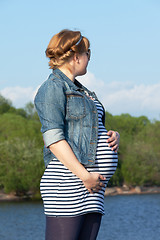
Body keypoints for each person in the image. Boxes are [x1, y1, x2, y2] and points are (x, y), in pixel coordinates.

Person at [34, 29, 120, 240]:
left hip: (92, 188)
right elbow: (53, 138)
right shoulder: (52, 87)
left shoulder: (85, 92)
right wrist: (84, 176)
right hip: (69, 184)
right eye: (88, 53)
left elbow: (88, 133)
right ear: (76, 56)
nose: (89, 58)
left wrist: (111, 135)